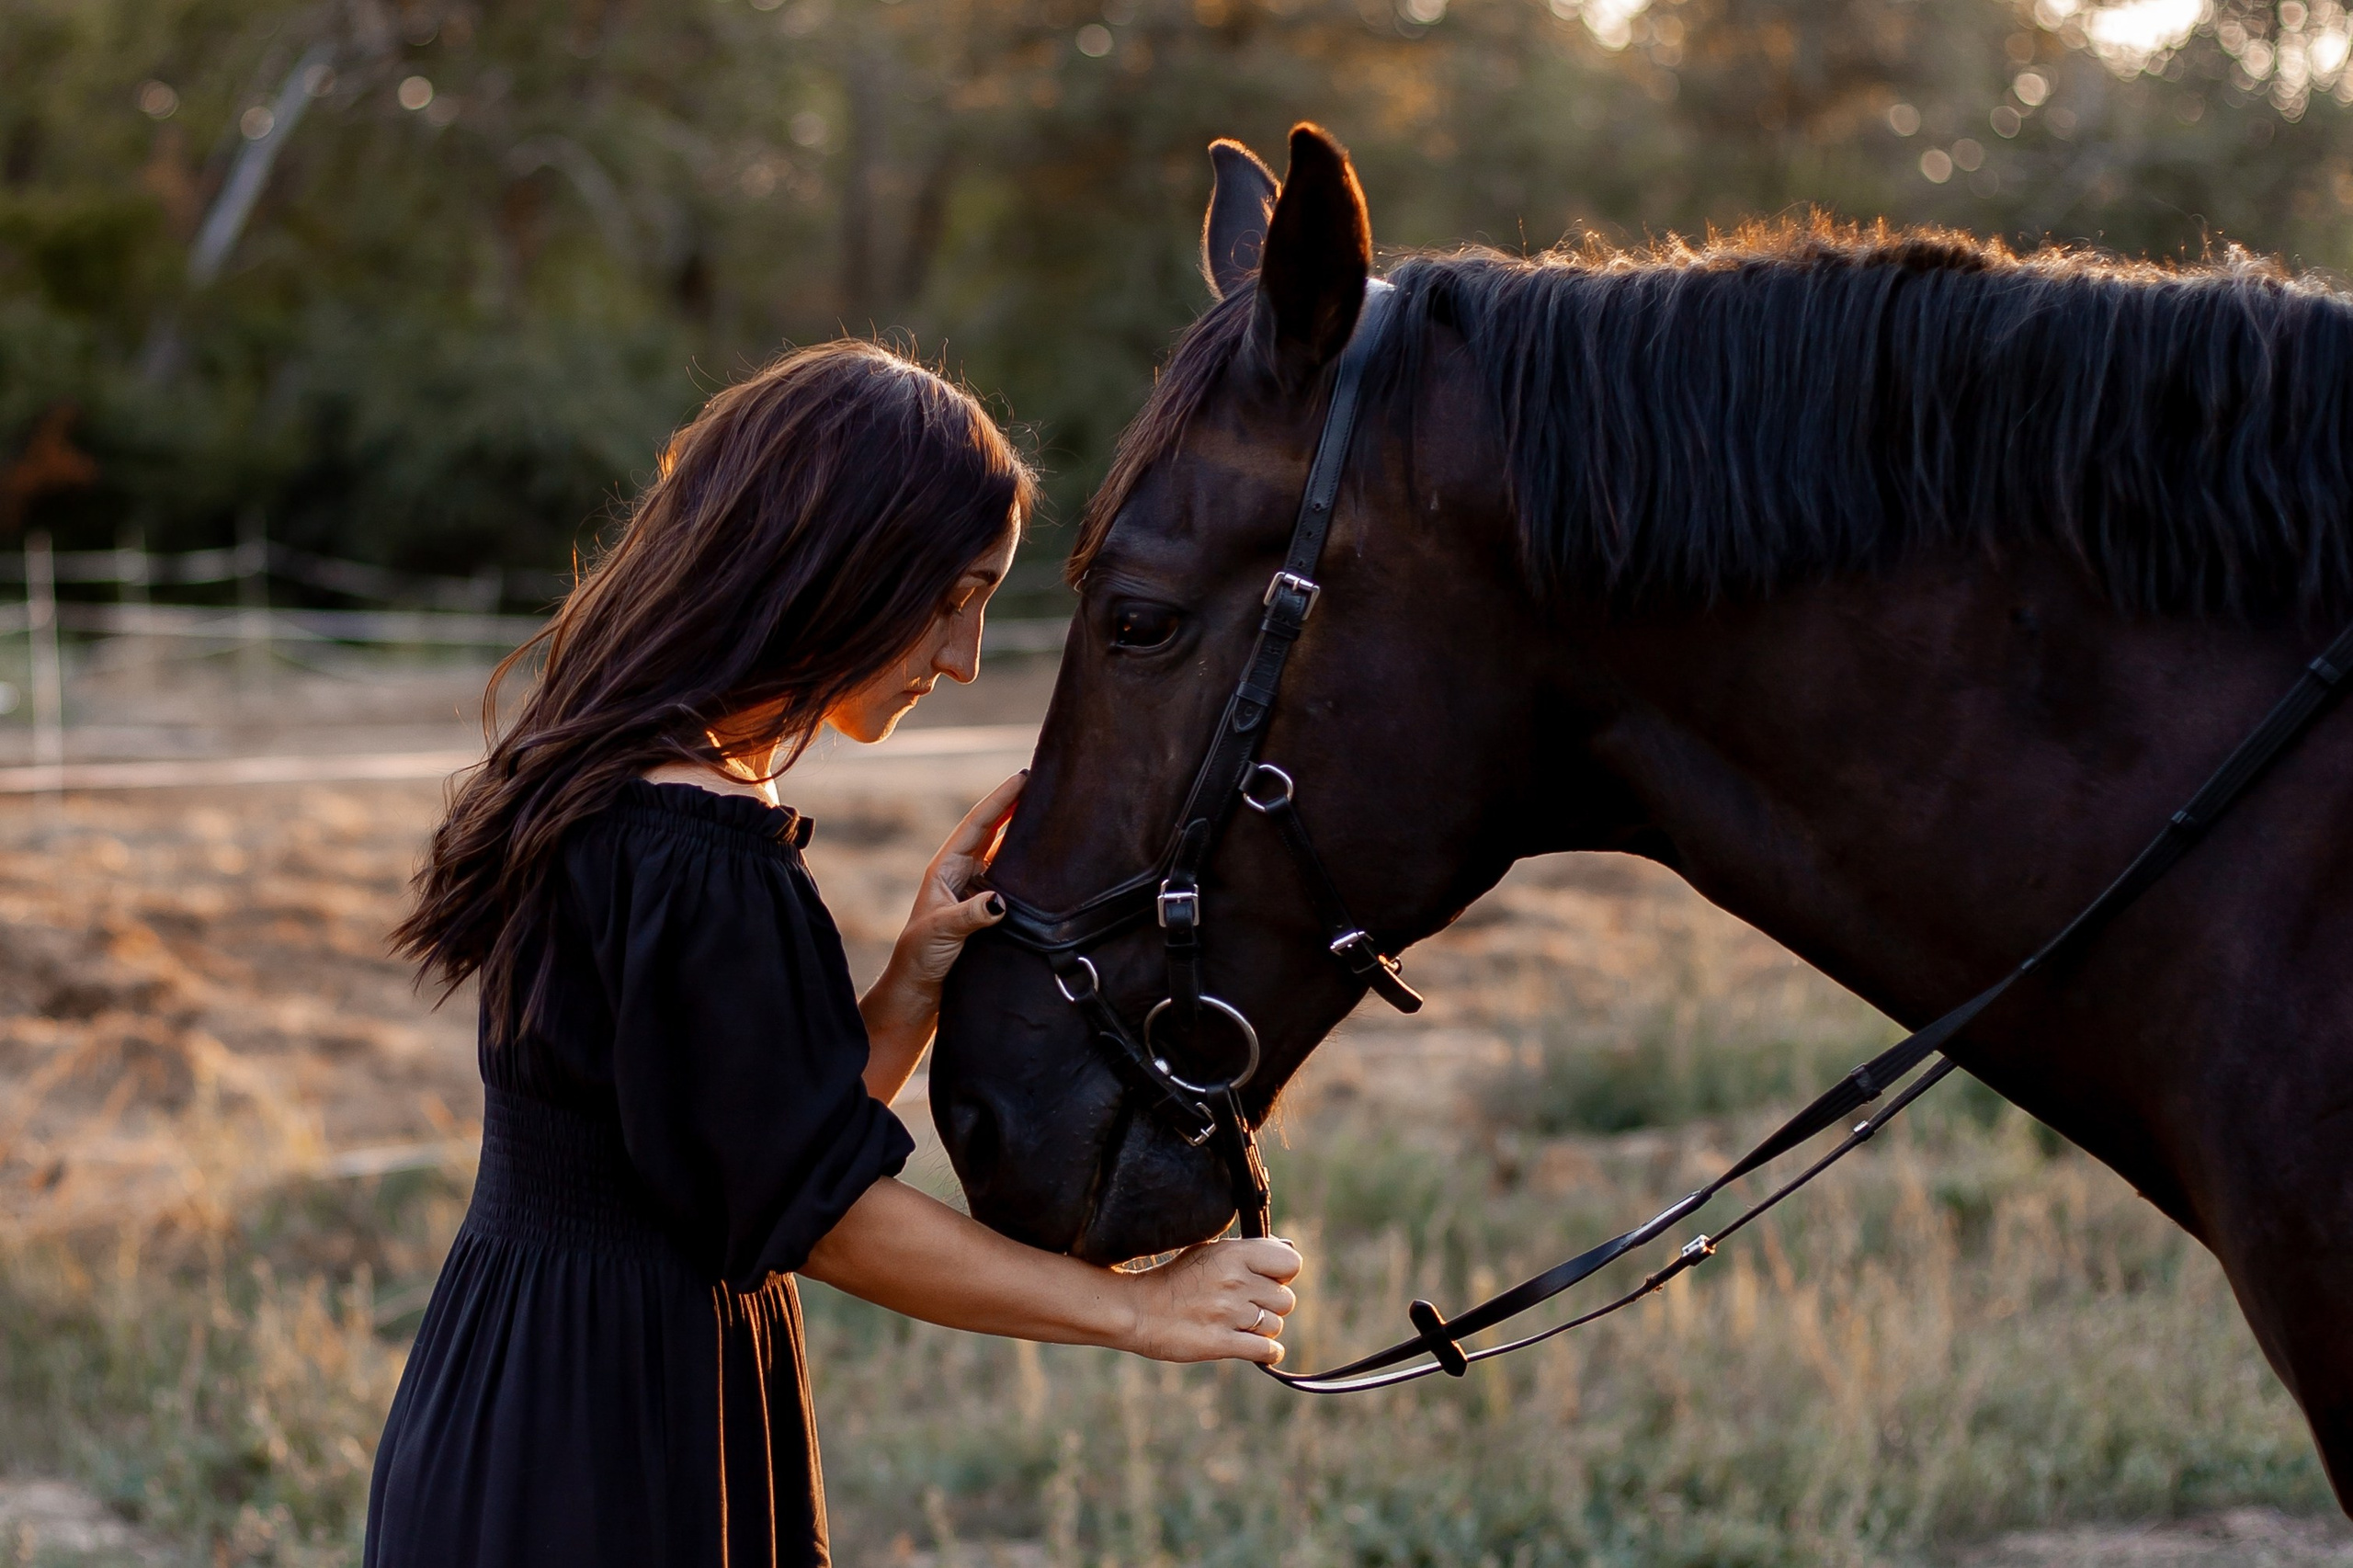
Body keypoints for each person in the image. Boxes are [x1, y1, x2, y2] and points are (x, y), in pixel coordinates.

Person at [369, 341, 1302, 1567]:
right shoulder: (695, 840)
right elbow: (822, 1216)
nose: (962, 656)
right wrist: (1139, 1308)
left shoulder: (610, 780)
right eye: (953, 595)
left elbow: (725, 1149)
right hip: (616, 1437)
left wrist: (904, 989)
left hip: (513, 1392)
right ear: (840, 564)